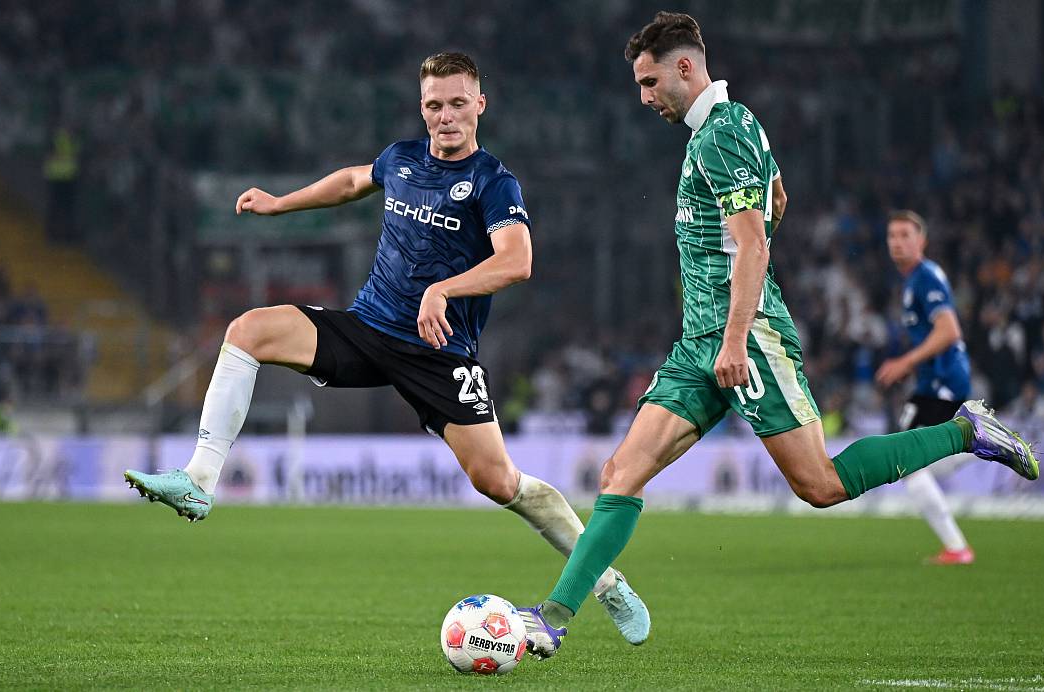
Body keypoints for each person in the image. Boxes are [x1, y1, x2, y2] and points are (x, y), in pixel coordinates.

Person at [517, 13, 1038, 658]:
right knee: (621, 470)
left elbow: (755, 240)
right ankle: (556, 616)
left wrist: (736, 337)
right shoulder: (726, 128)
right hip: (699, 341)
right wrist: (757, 221)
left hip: (745, 336)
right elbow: (776, 197)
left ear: (685, 67)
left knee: (820, 485)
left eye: (649, 83)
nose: (643, 98)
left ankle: (967, 431)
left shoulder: (721, 135)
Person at [123, 52, 650, 646]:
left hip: (441, 353)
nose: (444, 117)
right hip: (370, 329)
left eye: (456, 103)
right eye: (433, 105)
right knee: (248, 330)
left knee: (499, 482)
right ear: (421, 108)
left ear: (480, 105)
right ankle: (199, 479)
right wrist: (279, 202)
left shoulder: (493, 182)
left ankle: (604, 581)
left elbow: (518, 261)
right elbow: (352, 181)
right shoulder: (401, 159)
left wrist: (442, 291)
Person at [875, 210, 975, 565]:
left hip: (943, 385)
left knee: (907, 461)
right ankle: (978, 441)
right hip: (932, 385)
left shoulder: (925, 278)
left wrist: (906, 362)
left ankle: (957, 547)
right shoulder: (913, 281)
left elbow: (949, 330)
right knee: (910, 463)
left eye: (905, 235)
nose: (897, 242)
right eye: (892, 235)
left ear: (922, 241)